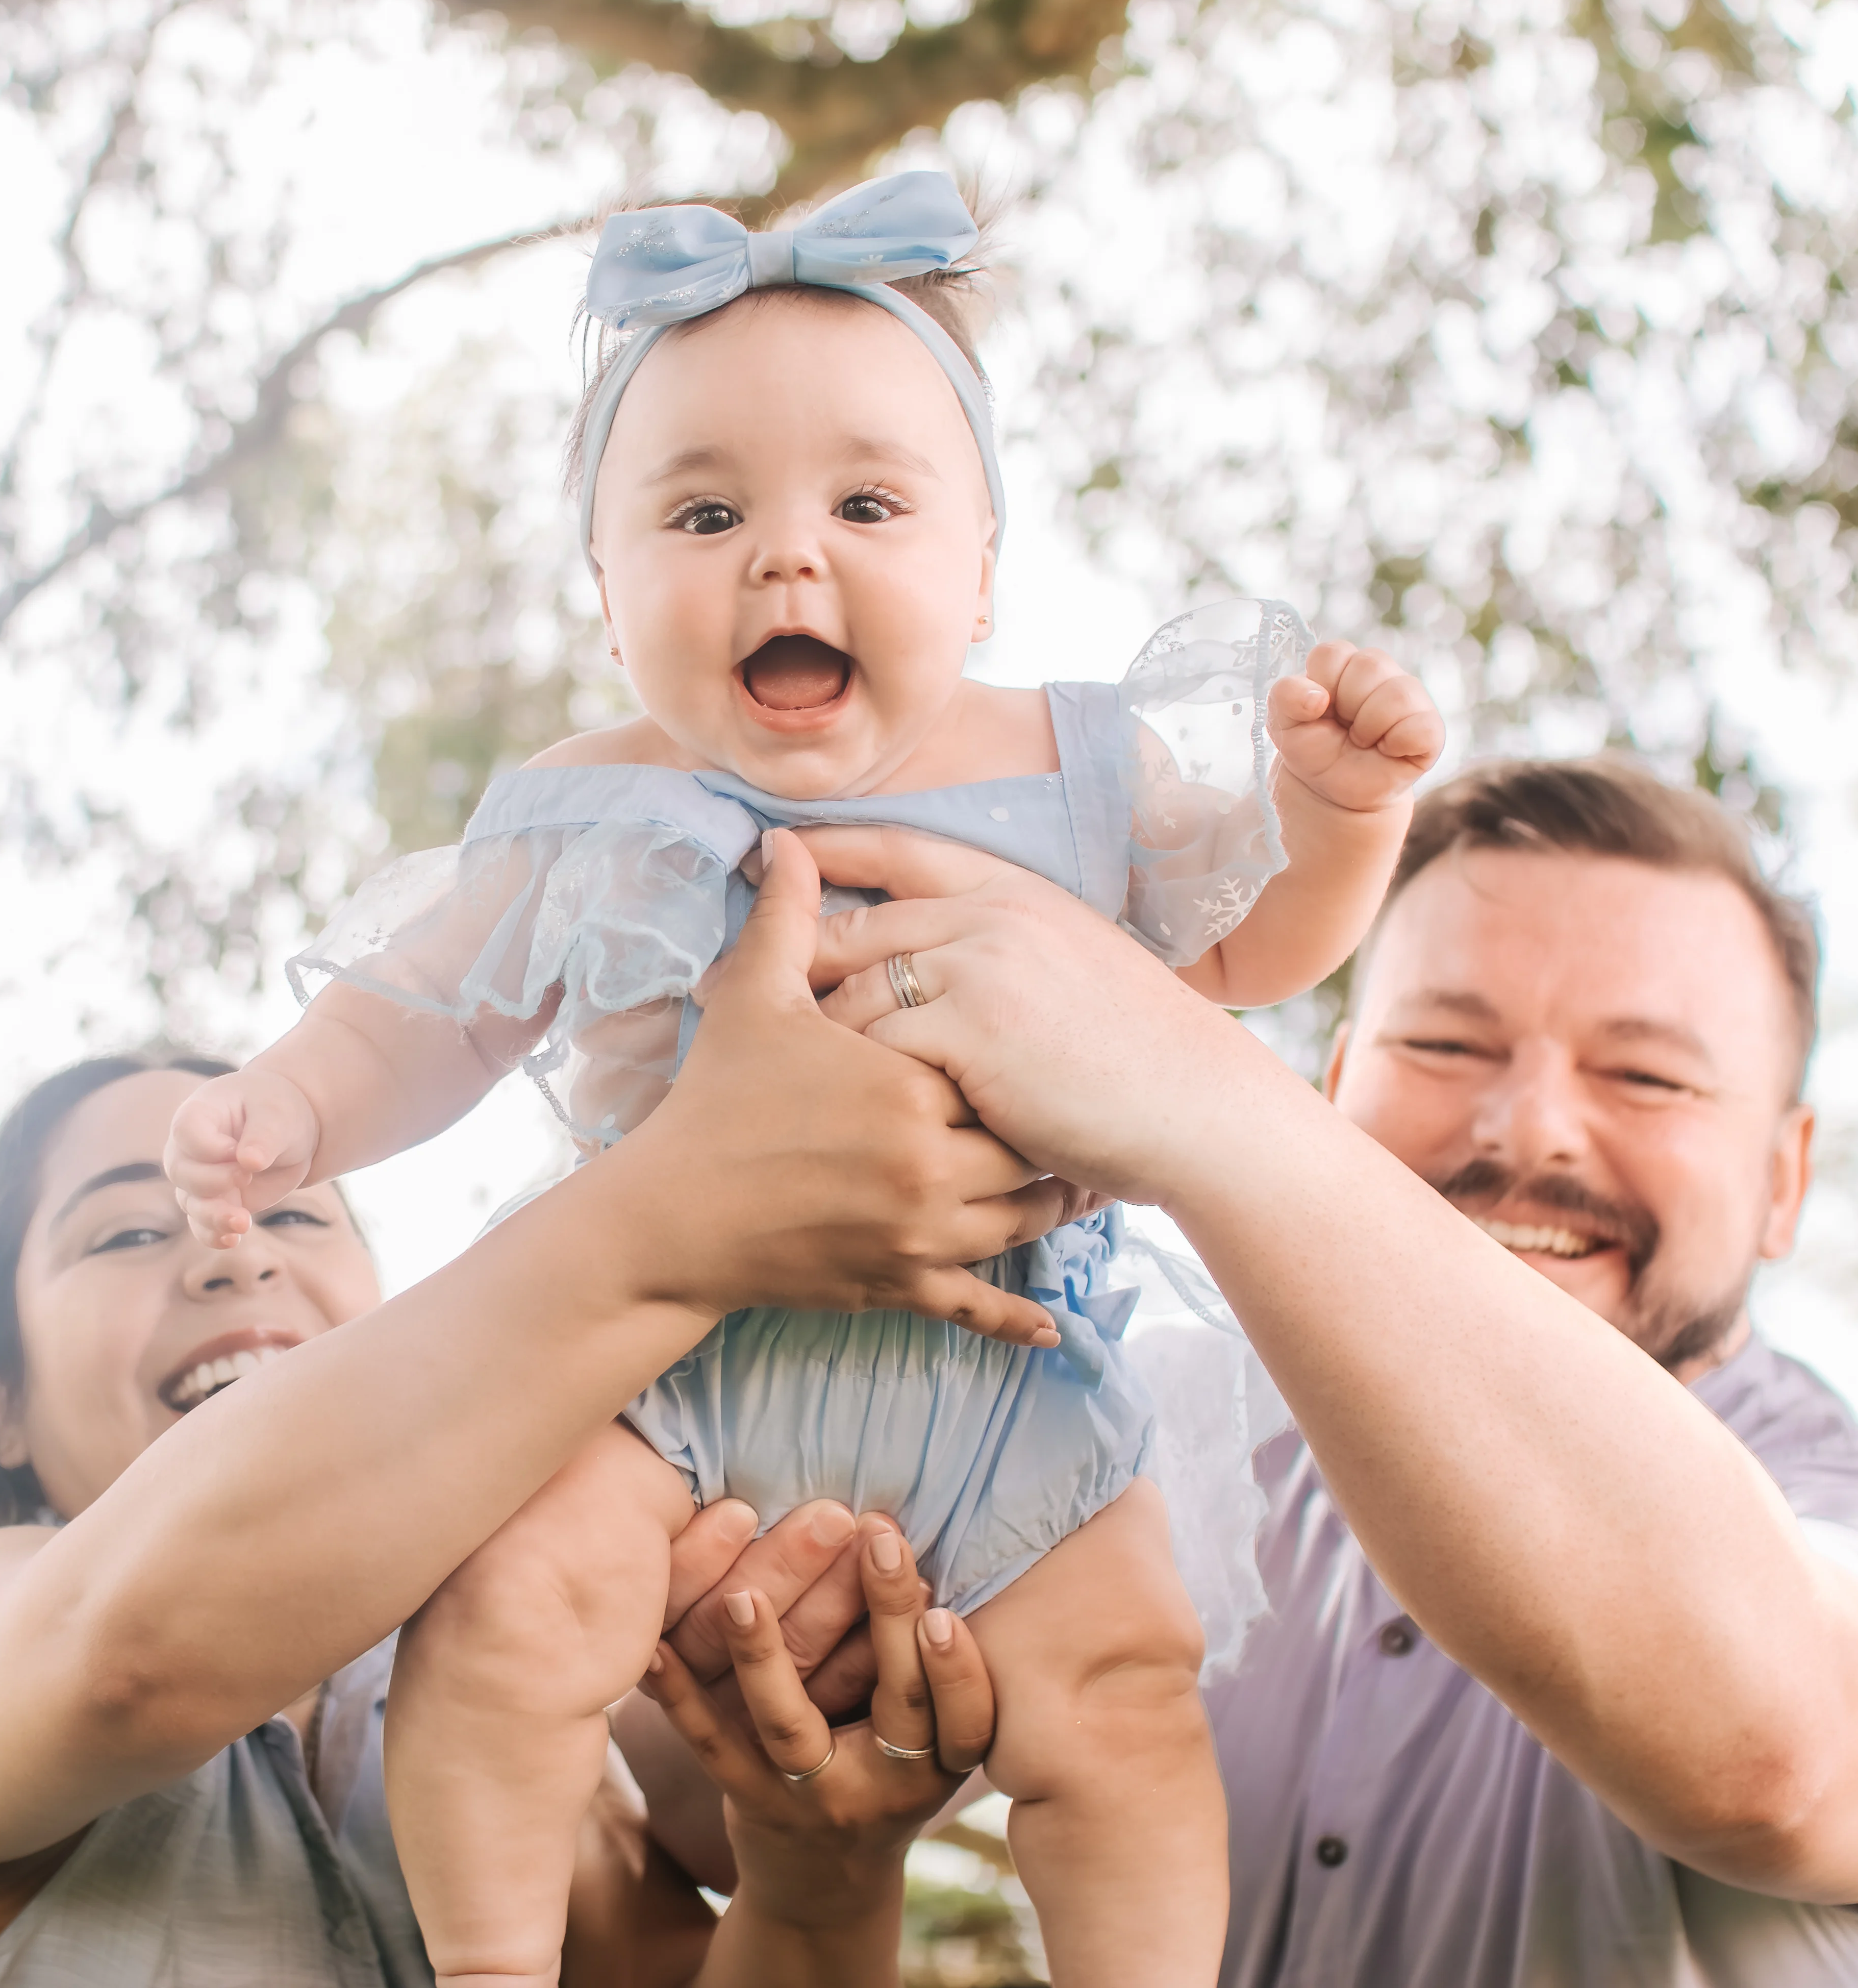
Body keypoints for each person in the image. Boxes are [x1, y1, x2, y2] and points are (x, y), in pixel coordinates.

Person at [164, 167, 1445, 1988]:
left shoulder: (1078, 773)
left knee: (1130, 1705)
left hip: (1014, 1373)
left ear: (981, 566)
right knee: (505, 1616)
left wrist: (1342, 819)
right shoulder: (590, 806)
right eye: (701, 513)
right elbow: (422, 1016)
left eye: (867, 502)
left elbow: (1243, 958)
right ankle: (490, 1968)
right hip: (665, 1375)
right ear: (609, 601)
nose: (788, 555)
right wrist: (293, 1104)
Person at [790, 753, 1858, 1986]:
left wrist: (1198, 1084)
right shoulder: (1140, 1437)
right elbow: (679, 1796)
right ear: (1340, 1086)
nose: (1529, 1127)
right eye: (1448, 1046)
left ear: (1784, 1179)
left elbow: (1778, 1753)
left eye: (1648, 1074)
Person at [0, 985, 1075, 1988]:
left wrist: (817, 1881)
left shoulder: (512, 1749)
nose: (234, 1257)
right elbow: (130, 1649)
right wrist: (686, 1212)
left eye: (297, 1213)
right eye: (122, 1231)